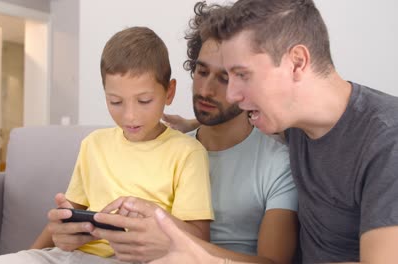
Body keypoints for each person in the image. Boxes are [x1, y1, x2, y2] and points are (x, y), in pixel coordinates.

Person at [147, 0, 398, 263]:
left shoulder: (386, 140)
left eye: (242, 75)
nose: (231, 94)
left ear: (297, 63)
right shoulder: (294, 122)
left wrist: (198, 255)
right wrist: (191, 125)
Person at [0, 26, 214, 263]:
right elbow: (69, 215)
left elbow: (198, 238)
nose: (130, 116)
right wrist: (33, 250)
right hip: (69, 255)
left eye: (144, 100)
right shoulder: (94, 144)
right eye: (116, 102)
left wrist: (155, 216)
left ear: (169, 92)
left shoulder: (187, 152)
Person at [81, 3, 298, 263]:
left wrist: (179, 246)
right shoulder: (170, 148)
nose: (205, 90)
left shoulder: (277, 163)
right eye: (202, 71)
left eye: (224, 78)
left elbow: (273, 263)